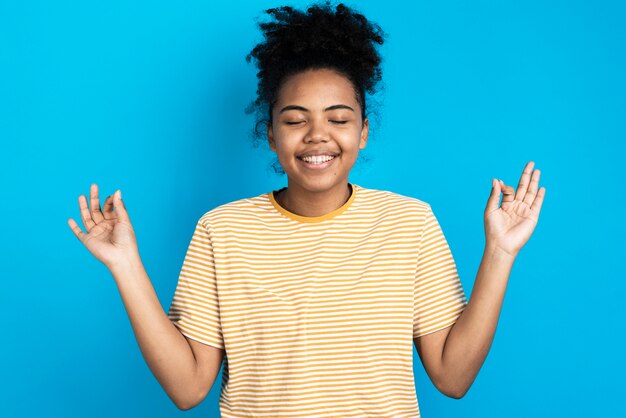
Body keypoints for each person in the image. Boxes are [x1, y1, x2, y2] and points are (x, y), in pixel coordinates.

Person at [67, 1, 546, 417]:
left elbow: (453, 376)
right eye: (295, 120)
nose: (318, 135)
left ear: (362, 131)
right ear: (271, 134)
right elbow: (188, 388)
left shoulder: (410, 222)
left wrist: (500, 254)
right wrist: (125, 265)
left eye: (338, 119)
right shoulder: (222, 230)